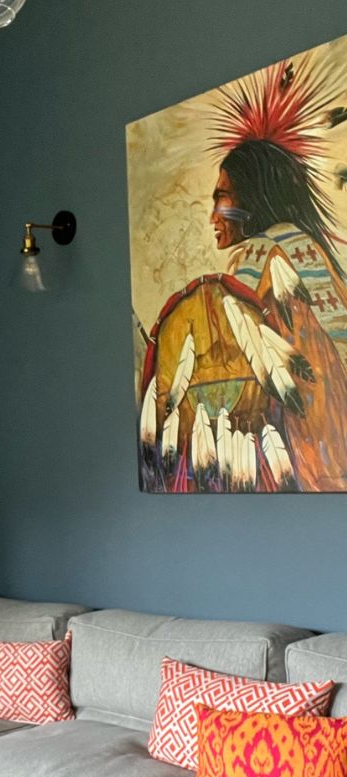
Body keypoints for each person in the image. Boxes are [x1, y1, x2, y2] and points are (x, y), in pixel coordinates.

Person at [138, 57, 347, 493]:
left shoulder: (257, 252)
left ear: (252, 197)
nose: (214, 215)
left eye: (223, 198)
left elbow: (224, 365)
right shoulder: (317, 254)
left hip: (304, 452)